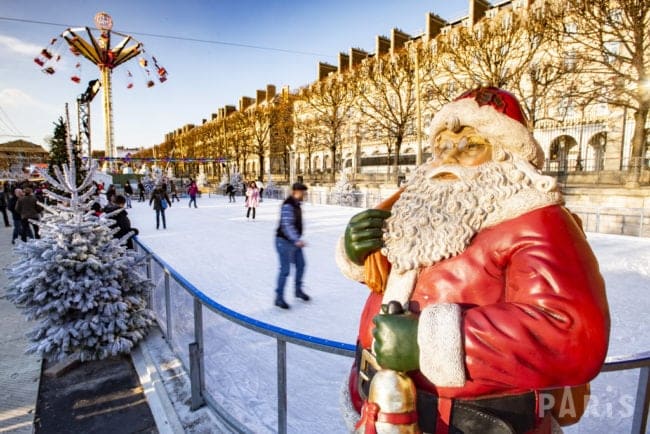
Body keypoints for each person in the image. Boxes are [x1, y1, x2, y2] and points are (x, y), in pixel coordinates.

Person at [337, 87, 610, 434]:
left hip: (462, 421)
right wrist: (360, 254)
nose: (449, 158)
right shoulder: (419, 204)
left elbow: (569, 331)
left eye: (470, 146)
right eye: (443, 147)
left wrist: (425, 340)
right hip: (378, 405)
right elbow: (417, 283)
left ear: (506, 153)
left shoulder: (538, 221)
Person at [274, 182, 310, 309]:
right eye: (303, 192)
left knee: (301, 265)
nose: (304, 195)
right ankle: (279, 298)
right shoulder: (288, 205)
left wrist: (296, 240)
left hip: (294, 242)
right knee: (285, 270)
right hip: (284, 242)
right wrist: (296, 240)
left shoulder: (296, 205)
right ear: (296, 192)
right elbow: (287, 225)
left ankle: (298, 291)